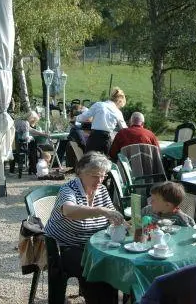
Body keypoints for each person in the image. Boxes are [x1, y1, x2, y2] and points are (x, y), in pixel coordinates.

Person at [44, 152, 124, 304]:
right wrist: (101, 211)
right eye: (95, 176)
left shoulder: (101, 190)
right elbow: (69, 211)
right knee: (94, 267)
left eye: (103, 176)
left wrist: (127, 224)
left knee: (112, 264)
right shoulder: (69, 189)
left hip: (93, 246)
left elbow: (113, 215)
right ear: (80, 172)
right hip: (64, 247)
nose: (100, 180)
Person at [76, 87, 127, 155]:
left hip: (94, 138)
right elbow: (124, 129)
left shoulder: (98, 104)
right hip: (106, 140)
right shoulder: (117, 112)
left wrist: (76, 118)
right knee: (105, 163)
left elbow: (84, 117)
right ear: (119, 101)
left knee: (87, 162)